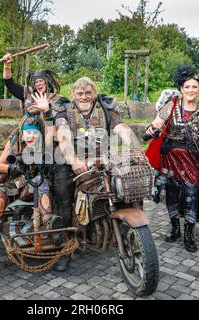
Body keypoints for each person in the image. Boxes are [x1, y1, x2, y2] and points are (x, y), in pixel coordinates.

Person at [1, 53, 73, 271]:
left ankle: (63, 242)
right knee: (22, 181)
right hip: (29, 145)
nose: (38, 83)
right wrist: (7, 64)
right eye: (36, 81)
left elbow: (65, 123)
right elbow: (8, 82)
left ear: (49, 82)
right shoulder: (27, 95)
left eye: (42, 80)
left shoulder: (60, 100)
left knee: (62, 193)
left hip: (54, 149)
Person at [55, 77, 136, 268]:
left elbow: (121, 127)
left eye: (88, 93)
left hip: (101, 158)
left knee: (124, 184)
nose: (84, 97)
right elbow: (64, 137)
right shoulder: (64, 112)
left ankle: (126, 230)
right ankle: (65, 245)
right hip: (70, 161)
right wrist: (74, 161)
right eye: (80, 93)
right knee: (62, 195)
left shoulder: (106, 109)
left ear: (94, 93)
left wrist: (133, 147)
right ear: (73, 95)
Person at [0, 116, 56, 281]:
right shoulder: (15, 141)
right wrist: (14, 167)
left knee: (39, 183)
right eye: (28, 133)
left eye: (34, 133)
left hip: (31, 186)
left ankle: (50, 223)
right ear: (22, 134)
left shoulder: (45, 144)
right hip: (9, 184)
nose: (31, 136)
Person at [144, 65, 199, 252]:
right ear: (181, 89)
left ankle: (189, 234)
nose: (191, 90)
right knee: (171, 194)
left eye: (194, 87)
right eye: (187, 87)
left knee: (191, 195)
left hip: (192, 160)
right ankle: (175, 229)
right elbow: (156, 124)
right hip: (170, 158)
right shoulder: (171, 106)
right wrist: (151, 131)